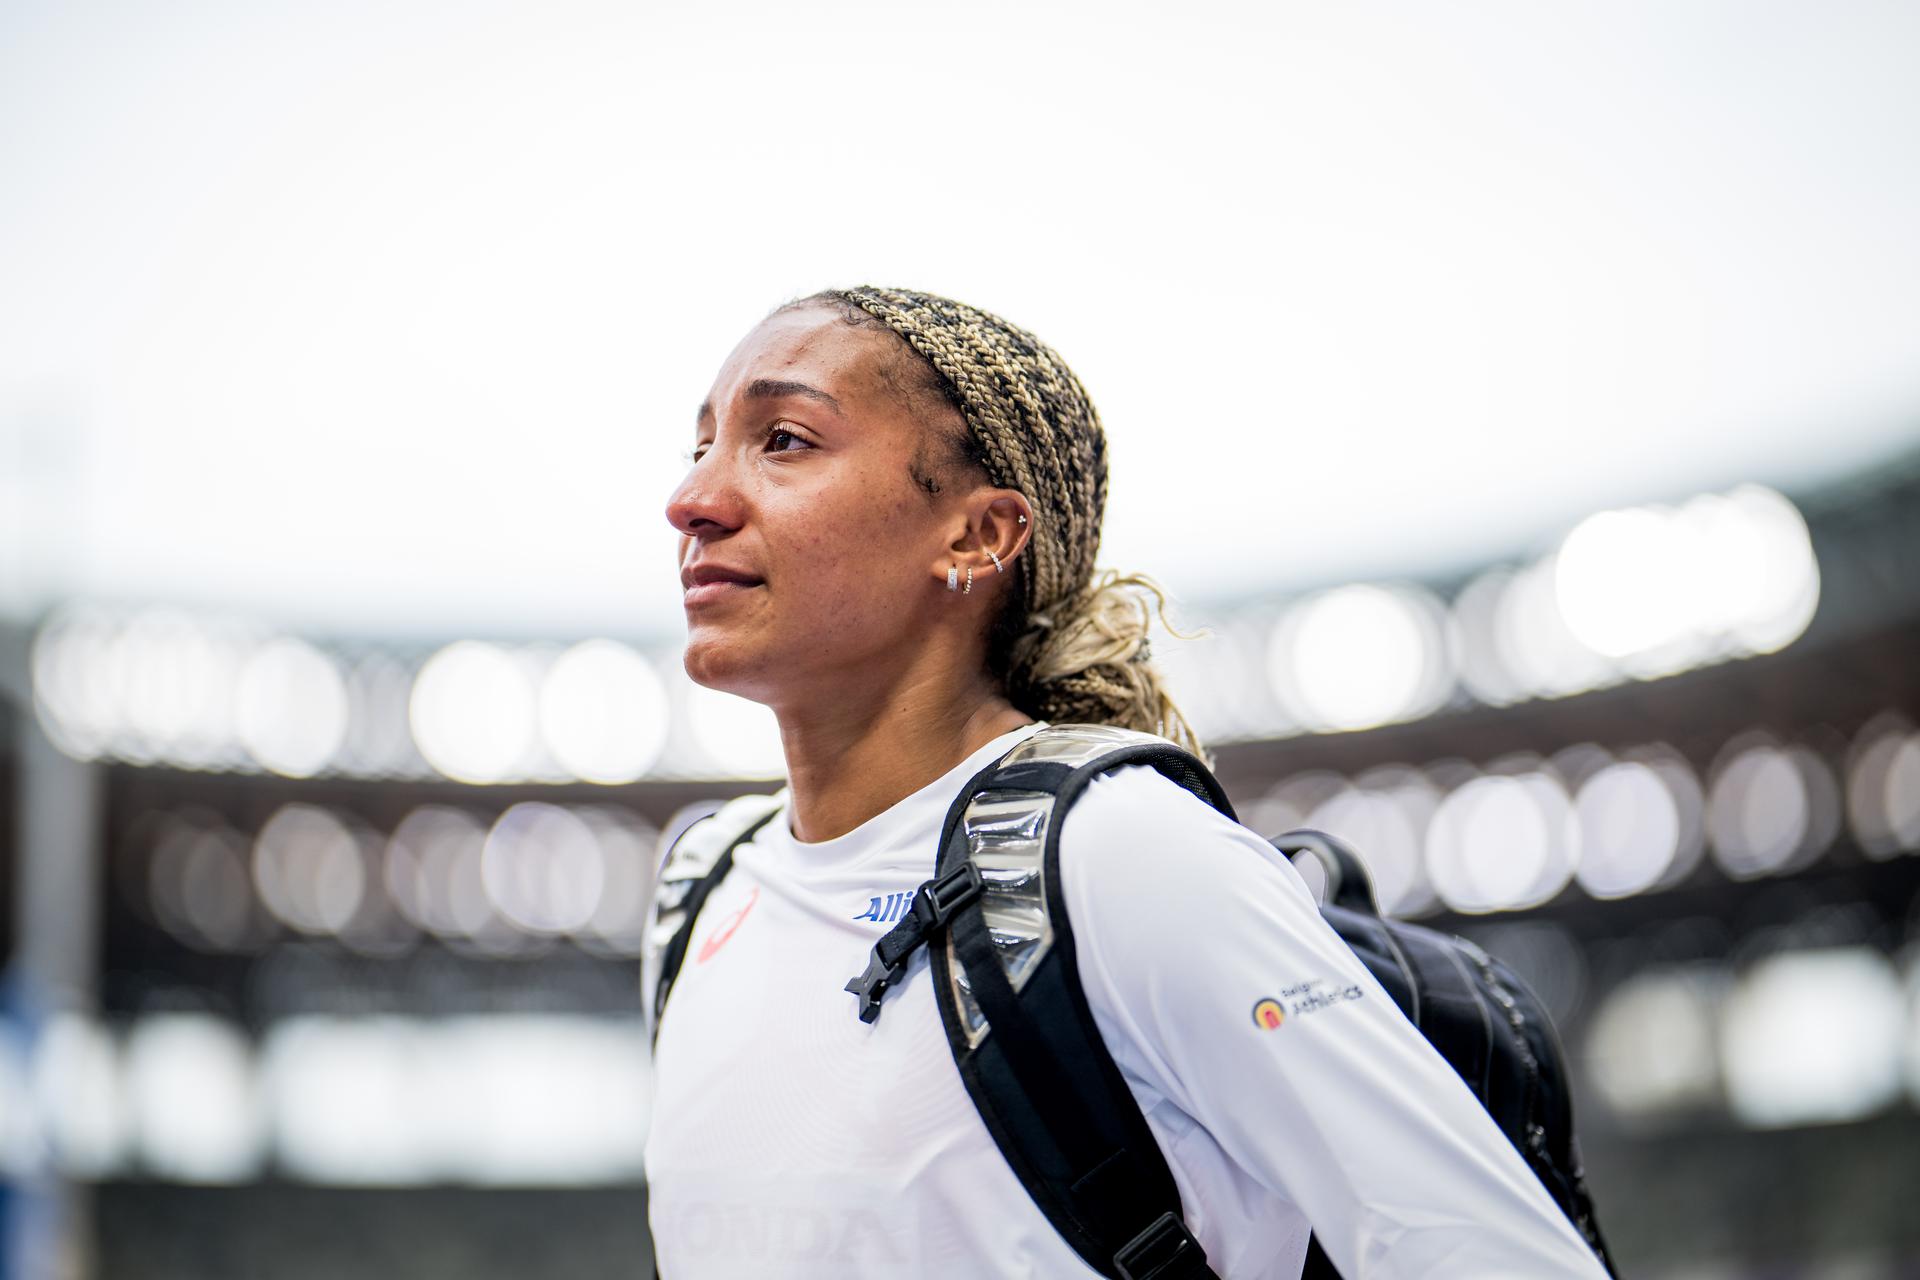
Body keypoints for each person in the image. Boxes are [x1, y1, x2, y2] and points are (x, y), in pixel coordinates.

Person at [643, 286, 1609, 1278]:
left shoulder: (1119, 855)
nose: (694, 499)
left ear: (978, 535)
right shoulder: (700, 892)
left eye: (786, 439)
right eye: (701, 446)